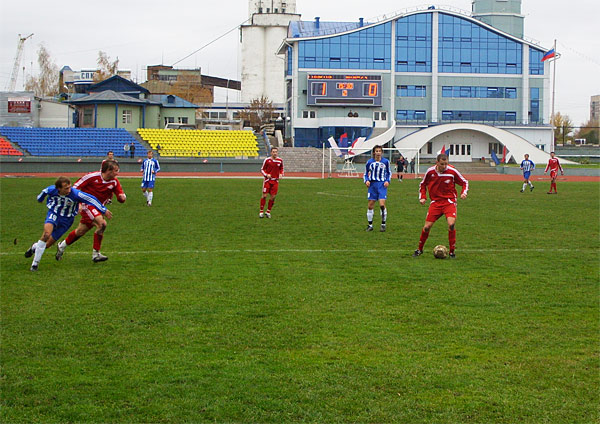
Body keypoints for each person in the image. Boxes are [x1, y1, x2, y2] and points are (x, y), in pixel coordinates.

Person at [24, 176, 111, 271]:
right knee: (46, 235)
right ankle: (35, 265)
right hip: (54, 214)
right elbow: (43, 193)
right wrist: (40, 199)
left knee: (48, 244)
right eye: (66, 188)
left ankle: (34, 247)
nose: (69, 190)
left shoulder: (75, 193)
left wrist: (103, 210)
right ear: (59, 189)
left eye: (70, 187)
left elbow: (91, 199)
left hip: (67, 220)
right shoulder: (51, 190)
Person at [55, 160, 126, 263]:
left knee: (80, 231)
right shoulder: (91, 177)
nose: (117, 173)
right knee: (102, 224)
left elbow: (120, 196)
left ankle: (62, 246)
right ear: (108, 171)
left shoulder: (114, 182)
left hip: (99, 208)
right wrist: (77, 203)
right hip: (86, 205)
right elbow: (75, 187)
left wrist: (122, 197)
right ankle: (96, 254)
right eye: (116, 170)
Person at [413, 153, 469, 258]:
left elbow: (464, 182)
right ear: (437, 163)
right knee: (426, 227)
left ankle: (452, 252)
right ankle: (419, 249)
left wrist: (464, 193)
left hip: (449, 202)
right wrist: (423, 197)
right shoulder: (430, 172)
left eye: (446, 164)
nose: (444, 166)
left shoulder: (452, 172)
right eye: (442, 164)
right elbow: (423, 184)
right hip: (436, 203)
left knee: (451, 224)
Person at [364, 145, 391, 232]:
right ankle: (370, 225)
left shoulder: (386, 162)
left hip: (382, 185)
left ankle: (383, 224)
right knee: (370, 205)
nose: (378, 153)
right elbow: (365, 174)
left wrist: (387, 181)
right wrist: (366, 181)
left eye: (380, 151)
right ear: (374, 152)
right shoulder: (369, 162)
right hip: (372, 186)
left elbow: (389, 173)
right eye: (377, 151)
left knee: (382, 204)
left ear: (382, 152)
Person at [259, 147, 284, 218]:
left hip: (275, 181)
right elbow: (262, 169)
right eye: (273, 152)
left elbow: (281, 169)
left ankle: (268, 212)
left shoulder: (280, 160)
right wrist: (266, 175)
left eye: (276, 152)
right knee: (264, 196)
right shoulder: (267, 160)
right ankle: (261, 211)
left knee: (273, 197)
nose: (275, 153)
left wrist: (281, 174)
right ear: (271, 153)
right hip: (267, 181)